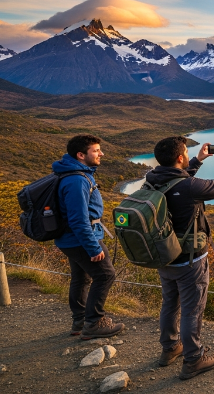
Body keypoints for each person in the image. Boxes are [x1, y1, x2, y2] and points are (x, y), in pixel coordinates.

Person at [146, 137, 214, 380]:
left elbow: (176, 181)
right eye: (186, 152)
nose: (188, 155)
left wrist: (197, 160)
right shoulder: (189, 187)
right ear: (179, 158)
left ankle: (170, 348)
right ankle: (194, 359)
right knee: (192, 310)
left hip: (164, 256)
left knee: (169, 303)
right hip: (189, 260)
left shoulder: (152, 179)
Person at [53, 134, 125, 339]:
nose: (101, 154)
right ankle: (94, 323)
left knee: (81, 277)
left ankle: (80, 320)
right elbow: (78, 219)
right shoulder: (77, 180)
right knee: (105, 275)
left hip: (71, 239)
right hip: (81, 239)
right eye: (96, 150)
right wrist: (93, 247)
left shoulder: (74, 173)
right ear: (80, 155)